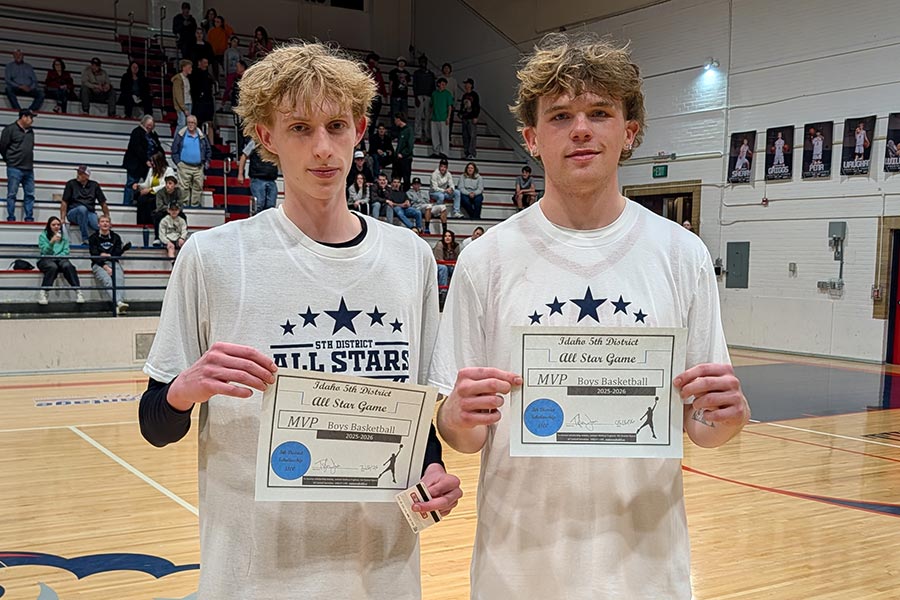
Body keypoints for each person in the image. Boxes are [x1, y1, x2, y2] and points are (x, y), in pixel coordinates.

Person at [429, 33, 749, 600]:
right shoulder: (485, 260)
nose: (581, 129)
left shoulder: (682, 255)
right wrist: (455, 415)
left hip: (647, 573)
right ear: (531, 137)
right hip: (517, 573)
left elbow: (704, 428)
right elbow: (464, 439)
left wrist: (727, 418)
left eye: (600, 112)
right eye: (560, 116)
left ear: (629, 132)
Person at [138, 42, 462, 598]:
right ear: (266, 137)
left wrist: (431, 469)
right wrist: (181, 392)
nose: (322, 148)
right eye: (299, 129)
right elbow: (154, 423)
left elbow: (409, 415)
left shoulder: (409, 256)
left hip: (381, 573)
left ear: (360, 129)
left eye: (337, 126)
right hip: (254, 575)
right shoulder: (213, 257)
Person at [37, 216, 84, 305]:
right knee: (52, 267)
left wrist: (57, 256)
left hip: (60, 259)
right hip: (46, 259)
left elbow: (66, 251)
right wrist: (52, 242)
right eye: (53, 225)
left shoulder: (64, 237)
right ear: (49, 226)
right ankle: (43, 292)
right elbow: (45, 251)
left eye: (58, 224)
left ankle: (78, 291)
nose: (56, 226)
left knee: (68, 266)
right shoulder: (43, 236)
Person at [88, 214, 129, 314]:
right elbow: (94, 255)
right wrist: (105, 267)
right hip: (99, 264)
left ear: (110, 224)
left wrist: (108, 255)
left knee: (119, 280)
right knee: (108, 281)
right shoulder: (93, 238)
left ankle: (119, 306)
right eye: (102, 221)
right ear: (98, 224)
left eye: (107, 221)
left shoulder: (116, 237)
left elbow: (117, 252)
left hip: (114, 261)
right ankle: (119, 303)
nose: (105, 223)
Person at [1, 109, 36, 222]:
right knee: (12, 194)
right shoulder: (9, 130)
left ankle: (29, 217)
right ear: (23, 117)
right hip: (14, 167)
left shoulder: (31, 132)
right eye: (31, 117)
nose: (32, 120)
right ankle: (11, 217)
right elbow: (2, 147)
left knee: (30, 194)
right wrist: (9, 160)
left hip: (28, 167)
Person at [135, 152, 176, 245]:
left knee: (151, 202)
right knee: (141, 199)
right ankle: (143, 223)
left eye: (153, 162)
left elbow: (166, 185)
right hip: (152, 193)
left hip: (163, 195)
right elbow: (146, 184)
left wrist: (150, 189)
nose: (151, 164)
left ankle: (154, 226)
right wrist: (139, 186)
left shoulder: (168, 170)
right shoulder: (151, 171)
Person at [171, 114, 212, 207]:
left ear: (196, 124)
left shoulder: (202, 136)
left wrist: (206, 162)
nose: (191, 124)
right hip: (184, 166)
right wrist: (178, 163)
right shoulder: (181, 134)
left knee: (198, 187)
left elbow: (208, 150)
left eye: (193, 122)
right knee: (183, 188)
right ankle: (184, 206)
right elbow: (174, 149)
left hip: (198, 167)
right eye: (189, 122)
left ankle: (195, 206)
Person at [61, 165, 110, 241]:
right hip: (73, 212)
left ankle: (109, 239)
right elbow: (64, 202)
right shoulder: (71, 184)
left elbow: (103, 202)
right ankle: (85, 238)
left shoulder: (94, 185)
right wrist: (62, 218)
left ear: (87, 176)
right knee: (82, 209)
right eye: (78, 173)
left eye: (81, 173)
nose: (78, 175)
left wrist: (107, 218)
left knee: (99, 225)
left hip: (90, 212)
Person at [122, 115, 162, 206]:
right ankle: (127, 204)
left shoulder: (153, 134)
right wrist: (146, 160)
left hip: (149, 165)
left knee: (149, 184)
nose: (150, 126)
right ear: (143, 123)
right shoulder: (136, 132)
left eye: (151, 125)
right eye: (148, 124)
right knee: (131, 184)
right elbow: (137, 148)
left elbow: (158, 147)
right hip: (135, 164)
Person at [237, 138, 279, 213]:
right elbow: (244, 156)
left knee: (271, 206)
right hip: (258, 178)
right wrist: (240, 173)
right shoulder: (255, 141)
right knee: (259, 205)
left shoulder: (275, 142)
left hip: (271, 178)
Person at [154, 175, 186, 245]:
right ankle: (157, 237)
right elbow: (159, 206)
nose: (168, 185)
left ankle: (181, 237)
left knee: (183, 216)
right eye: (166, 183)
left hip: (175, 211)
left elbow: (180, 205)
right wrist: (169, 208)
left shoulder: (179, 192)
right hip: (164, 211)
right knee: (157, 215)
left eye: (170, 183)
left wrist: (175, 210)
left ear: (175, 185)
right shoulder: (160, 192)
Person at [189, 57, 216, 136]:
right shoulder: (194, 74)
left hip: (208, 102)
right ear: (199, 63)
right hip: (198, 102)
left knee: (209, 123)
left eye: (207, 63)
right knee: (197, 122)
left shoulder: (208, 75)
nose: (206, 65)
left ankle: (211, 145)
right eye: (204, 63)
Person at [412, 55, 435, 143]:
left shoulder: (431, 74)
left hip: (429, 96)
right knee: (418, 116)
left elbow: (433, 87)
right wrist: (415, 97)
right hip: (419, 96)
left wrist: (432, 99)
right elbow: (414, 86)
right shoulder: (416, 73)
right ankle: (417, 135)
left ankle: (428, 136)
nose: (423, 62)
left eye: (424, 61)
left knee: (428, 117)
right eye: (421, 61)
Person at [430, 78, 453, 158]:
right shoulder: (434, 93)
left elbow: (450, 106)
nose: (443, 86)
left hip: (443, 117)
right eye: (442, 84)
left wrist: (448, 117)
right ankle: (436, 151)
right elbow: (432, 105)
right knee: (434, 135)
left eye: (445, 84)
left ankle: (444, 152)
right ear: (438, 84)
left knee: (444, 136)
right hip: (434, 117)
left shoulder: (448, 94)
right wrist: (431, 115)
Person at [365, 53, 387, 133]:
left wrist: (384, 94)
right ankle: (367, 132)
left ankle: (369, 132)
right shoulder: (368, 69)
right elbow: (380, 83)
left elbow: (381, 83)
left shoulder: (376, 70)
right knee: (370, 116)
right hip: (370, 95)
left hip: (375, 95)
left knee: (373, 116)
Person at [459, 78, 480, 159]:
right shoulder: (464, 95)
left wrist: (475, 116)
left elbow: (477, 107)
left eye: (467, 84)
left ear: (471, 85)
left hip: (471, 118)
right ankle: (466, 152)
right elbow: (462, 106)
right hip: (465, 117)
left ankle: (472, 153)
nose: (466, 85)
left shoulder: (475, 95)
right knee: (465, 136)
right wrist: (460, 114)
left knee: (472, 136)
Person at [388, 58, 411, 130]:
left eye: (403, 62)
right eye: (400, 62)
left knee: (404, 114)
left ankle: (403, 130)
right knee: (395, 113)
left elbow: (407, 84)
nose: (402, 63)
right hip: (395, 95)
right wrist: (390, 93)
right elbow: (391, 83)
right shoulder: (393, 72)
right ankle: (394, 131)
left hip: (404, 96)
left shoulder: (407, 73)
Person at [393, 112, 414, 189]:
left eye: (395, 120)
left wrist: (403, 153)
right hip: (398, 158)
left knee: (406, 177)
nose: (394, 122)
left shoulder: (409, 130)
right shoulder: (400, 130)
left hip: (406, 159)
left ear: (398, 120)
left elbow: (410, 145)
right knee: (396, 177)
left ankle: (406, 194)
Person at [172, 59, 193, 131]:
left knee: (187, 124)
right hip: (182, 105)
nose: (191, 69)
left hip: (188, 103)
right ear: (184, 68)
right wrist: (184, 108)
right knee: (181, 123)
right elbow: (178, 95)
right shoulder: (178, 79)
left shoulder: (187, 79)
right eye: (189, 67)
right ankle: (177, 141)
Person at [223, 36, 242, 101]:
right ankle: (223, 103)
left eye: (237, 42)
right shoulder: (227, 51)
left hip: (237, 72)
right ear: (231, 42)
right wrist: (225, 73)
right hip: (230, 72)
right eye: (234, 41)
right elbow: (225, 62)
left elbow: (241, 62)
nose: (235, 43)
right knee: (228, 88)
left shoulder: (239, 52)